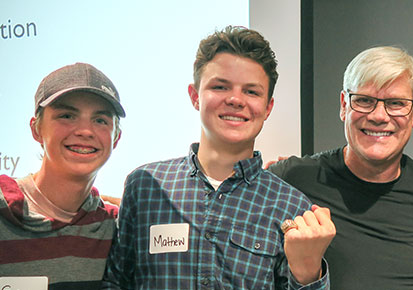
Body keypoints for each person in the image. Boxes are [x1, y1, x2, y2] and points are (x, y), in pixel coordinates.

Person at [102, 26, 335, 289]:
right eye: (220, 86)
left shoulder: (291, 207)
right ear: (194, 96)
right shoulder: (145, 186)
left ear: (268, 107)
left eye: (252, 91)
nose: (236, 99)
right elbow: (115, 282)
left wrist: (309, 274)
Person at [269, 46, 413, 289]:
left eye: (396, 103)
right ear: (344, 105)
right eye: (364, 100)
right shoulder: (289, 180)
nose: (379, 116)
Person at [0, 62, 125, 289]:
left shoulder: (113, 227)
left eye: (100, 120)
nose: (85, 131)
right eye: (67, 115)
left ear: (116, 138)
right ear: (36, 129)